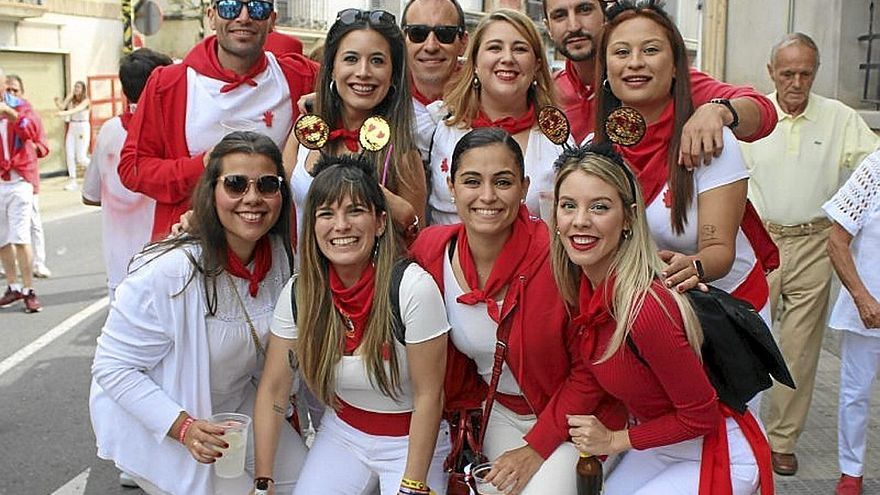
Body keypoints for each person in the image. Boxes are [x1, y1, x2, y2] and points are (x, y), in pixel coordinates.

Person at [90, 132, 307, 495]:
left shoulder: (282, 259)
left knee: (309, 484)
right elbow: (113, 367)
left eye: (267, 185)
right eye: (236, 184)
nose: (252, 198)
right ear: (212, 192)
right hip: (166, 419)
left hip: (237, 411)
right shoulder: (169, 272)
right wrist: (183, 427)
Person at [410, 128, 625, 495]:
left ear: (524, 187)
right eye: (472, 181)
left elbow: (590, 372)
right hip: (500, 413)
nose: (487, 196)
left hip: (580, 420)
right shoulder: (431, 251)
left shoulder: (562, 258)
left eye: (503, 181)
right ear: (450, 186)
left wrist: (534, 449)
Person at [555, 144, 764, 494]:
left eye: (600, 207)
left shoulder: (644, 307)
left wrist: (613, 440)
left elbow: (701, 415)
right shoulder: (584, 287)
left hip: (715, 448)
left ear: (629, 218)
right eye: (568, 206)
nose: (580, 221)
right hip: (660, 444)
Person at [254, 153, 450, 495]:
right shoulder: (300, 293)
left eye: (355, 211)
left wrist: (413, 484)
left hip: (413, 440)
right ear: (312, 226)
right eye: (326, 214)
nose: (340, 225)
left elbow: (429, 396)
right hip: (343, 433)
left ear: (380, 222)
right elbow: (274, 389)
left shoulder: (412, 288)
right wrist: (263, 480)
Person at [739, 32, 880, 476]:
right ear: (771, 72)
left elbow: (873, 166)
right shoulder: (750, 117)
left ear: (815, 72)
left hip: (815, 244)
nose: (796, 82)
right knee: (747, 339)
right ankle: (743, 429)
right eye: (787, 73)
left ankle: (782, 438)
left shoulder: (839, 117)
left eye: (805, 73)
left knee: (799, 349)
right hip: (758, 242)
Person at [595, 1, 771, 324]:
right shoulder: (594, 151)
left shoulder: (709, 142)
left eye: (650, 50)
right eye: (621, 52)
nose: (635, 63)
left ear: (676, 65)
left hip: (726, 317)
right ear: (605, 68)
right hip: (649, 316)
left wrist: (694, 266)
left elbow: (719, 250)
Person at [118, 0, 318, 240]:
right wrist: (202, 166)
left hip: (276, 251)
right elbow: (133, 168)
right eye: (230, 6)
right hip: (194, 249)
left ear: (272, 21)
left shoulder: (300, 77)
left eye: (257, 8)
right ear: (211, 16)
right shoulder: (169, 84)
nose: (244, 17)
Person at [543, 0, 777, 160]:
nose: (573, 25)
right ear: (548, 28)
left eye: (584, 9)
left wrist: (719, 111)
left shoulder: (657, 79)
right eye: (560, 15)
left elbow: (764, 111)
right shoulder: (549, 93)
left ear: (606, 15)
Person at [283, 8, 424, 245]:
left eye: (377, 61)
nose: (363, 72)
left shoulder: (401, 151)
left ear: (393, 75)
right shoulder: (305, 131)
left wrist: (393, 206)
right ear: (332, 67)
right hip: (303, 277)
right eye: (351, 59)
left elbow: (418, 241)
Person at [424, 9, 565, 225]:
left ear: (536, 65)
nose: (507, 58)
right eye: (495, 48)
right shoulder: (436, 123)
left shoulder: (559, 139)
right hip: (445, 257)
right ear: (475, 62)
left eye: (519, 49)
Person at [82, 48, 173, 302]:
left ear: (124, 90)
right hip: (169, 268)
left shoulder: (109, 131)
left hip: (120, 271)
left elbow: (90, 195)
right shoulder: (173, 131)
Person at [824, 151, 880, 495]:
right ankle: (851, 472)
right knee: (855, 393)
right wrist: (862, 297)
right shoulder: (875, 167)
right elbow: (837, 242)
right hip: (870, 309)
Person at [0, 66, 48, 313]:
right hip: (1, 180)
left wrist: (10, 113)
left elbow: (30, 132)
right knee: (2, 238)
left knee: (20, 236)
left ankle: (29, 289)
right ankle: (13, 286)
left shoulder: (20, 107)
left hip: (20, 180)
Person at [400, 0, 468, 156]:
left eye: (445, 34)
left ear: (463, 42)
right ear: (403, 40)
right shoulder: (384, 98)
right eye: (418, 33)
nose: (431, 46)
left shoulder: (485, 96)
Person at [5, 74, 51, 278]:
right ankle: (9, 266)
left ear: (22, 93)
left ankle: (38, 263)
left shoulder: (28, 115)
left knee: (32, 222)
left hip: (25, 176)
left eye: (16, 90)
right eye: (9, 90)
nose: (11, 94)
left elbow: (42, 145)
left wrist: (32, 148)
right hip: (4, 179)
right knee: (5, 226)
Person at [55, 80, 91, 191]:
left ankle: (97, 169)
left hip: (82, 127)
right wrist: (57, 103)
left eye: (78, 88)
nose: (76, 90)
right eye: (75, 87)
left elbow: (76, 109)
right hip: (72, 125)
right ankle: (72, 181)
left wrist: (64, 113)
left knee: (81, 158)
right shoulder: (72, 97)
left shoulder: (86, 100)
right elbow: (62, 107)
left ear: (83, 89)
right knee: (69, 154)